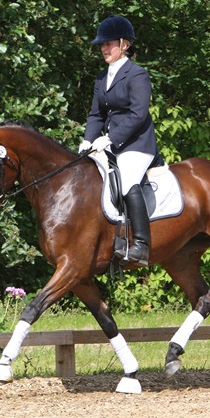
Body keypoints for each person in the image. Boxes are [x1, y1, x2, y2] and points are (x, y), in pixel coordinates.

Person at [79, 15, 158, 267]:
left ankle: (141, 245)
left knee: (126, 182)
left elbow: (139, 114)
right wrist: (88, 140)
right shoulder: (102, 77)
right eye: (101, 45)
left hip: (136, 145)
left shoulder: (137, 75)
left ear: (124, 44)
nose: (103, 48)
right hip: (108, 143)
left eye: (108, 44)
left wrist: (111, 138)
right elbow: (96, 114)